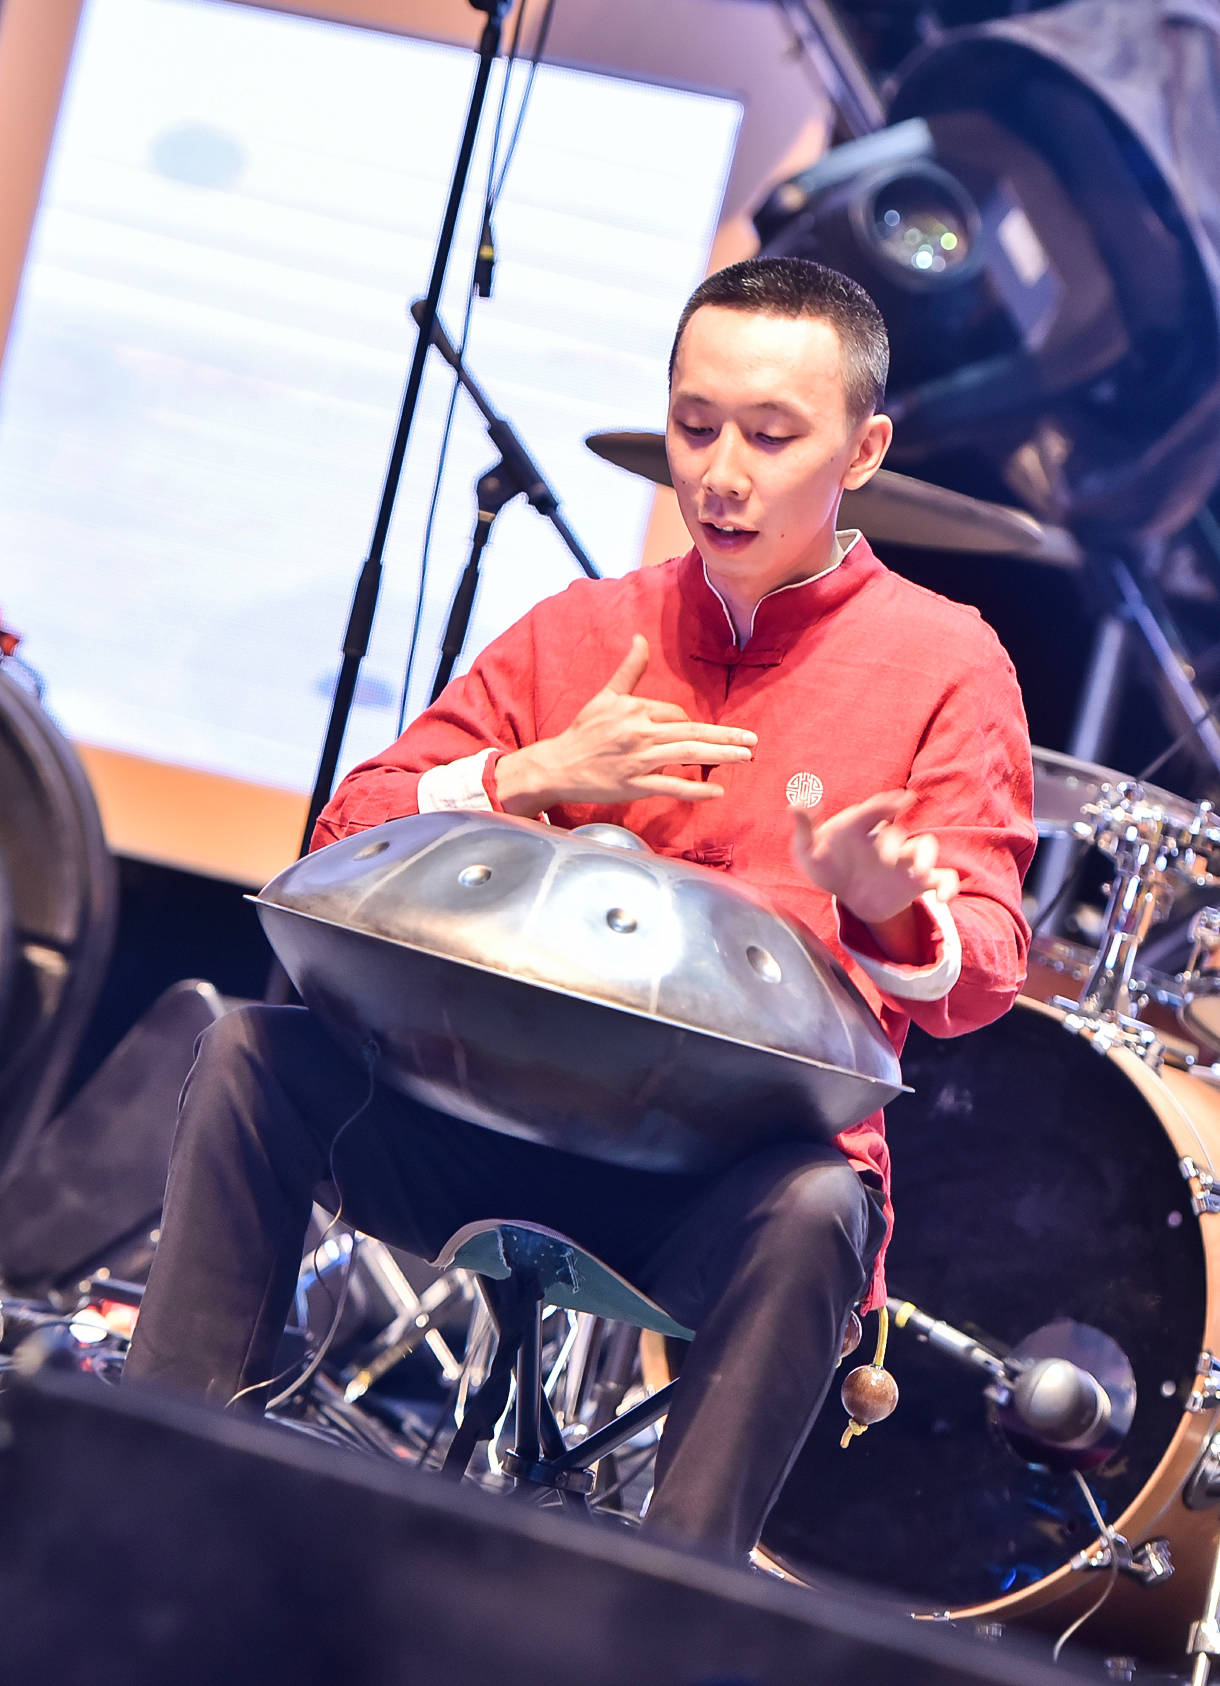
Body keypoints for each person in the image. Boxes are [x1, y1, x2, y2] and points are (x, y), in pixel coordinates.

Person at [124, 257, 1036, 1560]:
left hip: (713, 1189)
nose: (721, 473)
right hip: (485, 1118)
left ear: (864, 449)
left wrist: (889, 908)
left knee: (820, 1207)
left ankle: (653, 1610)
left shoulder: (947, 660)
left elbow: (986, 970)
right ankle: (148, 1497)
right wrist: (525, 776)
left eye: (772, 436)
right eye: (695, 426)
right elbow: (345, 836)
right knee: (253, 1054)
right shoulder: (588, 627)